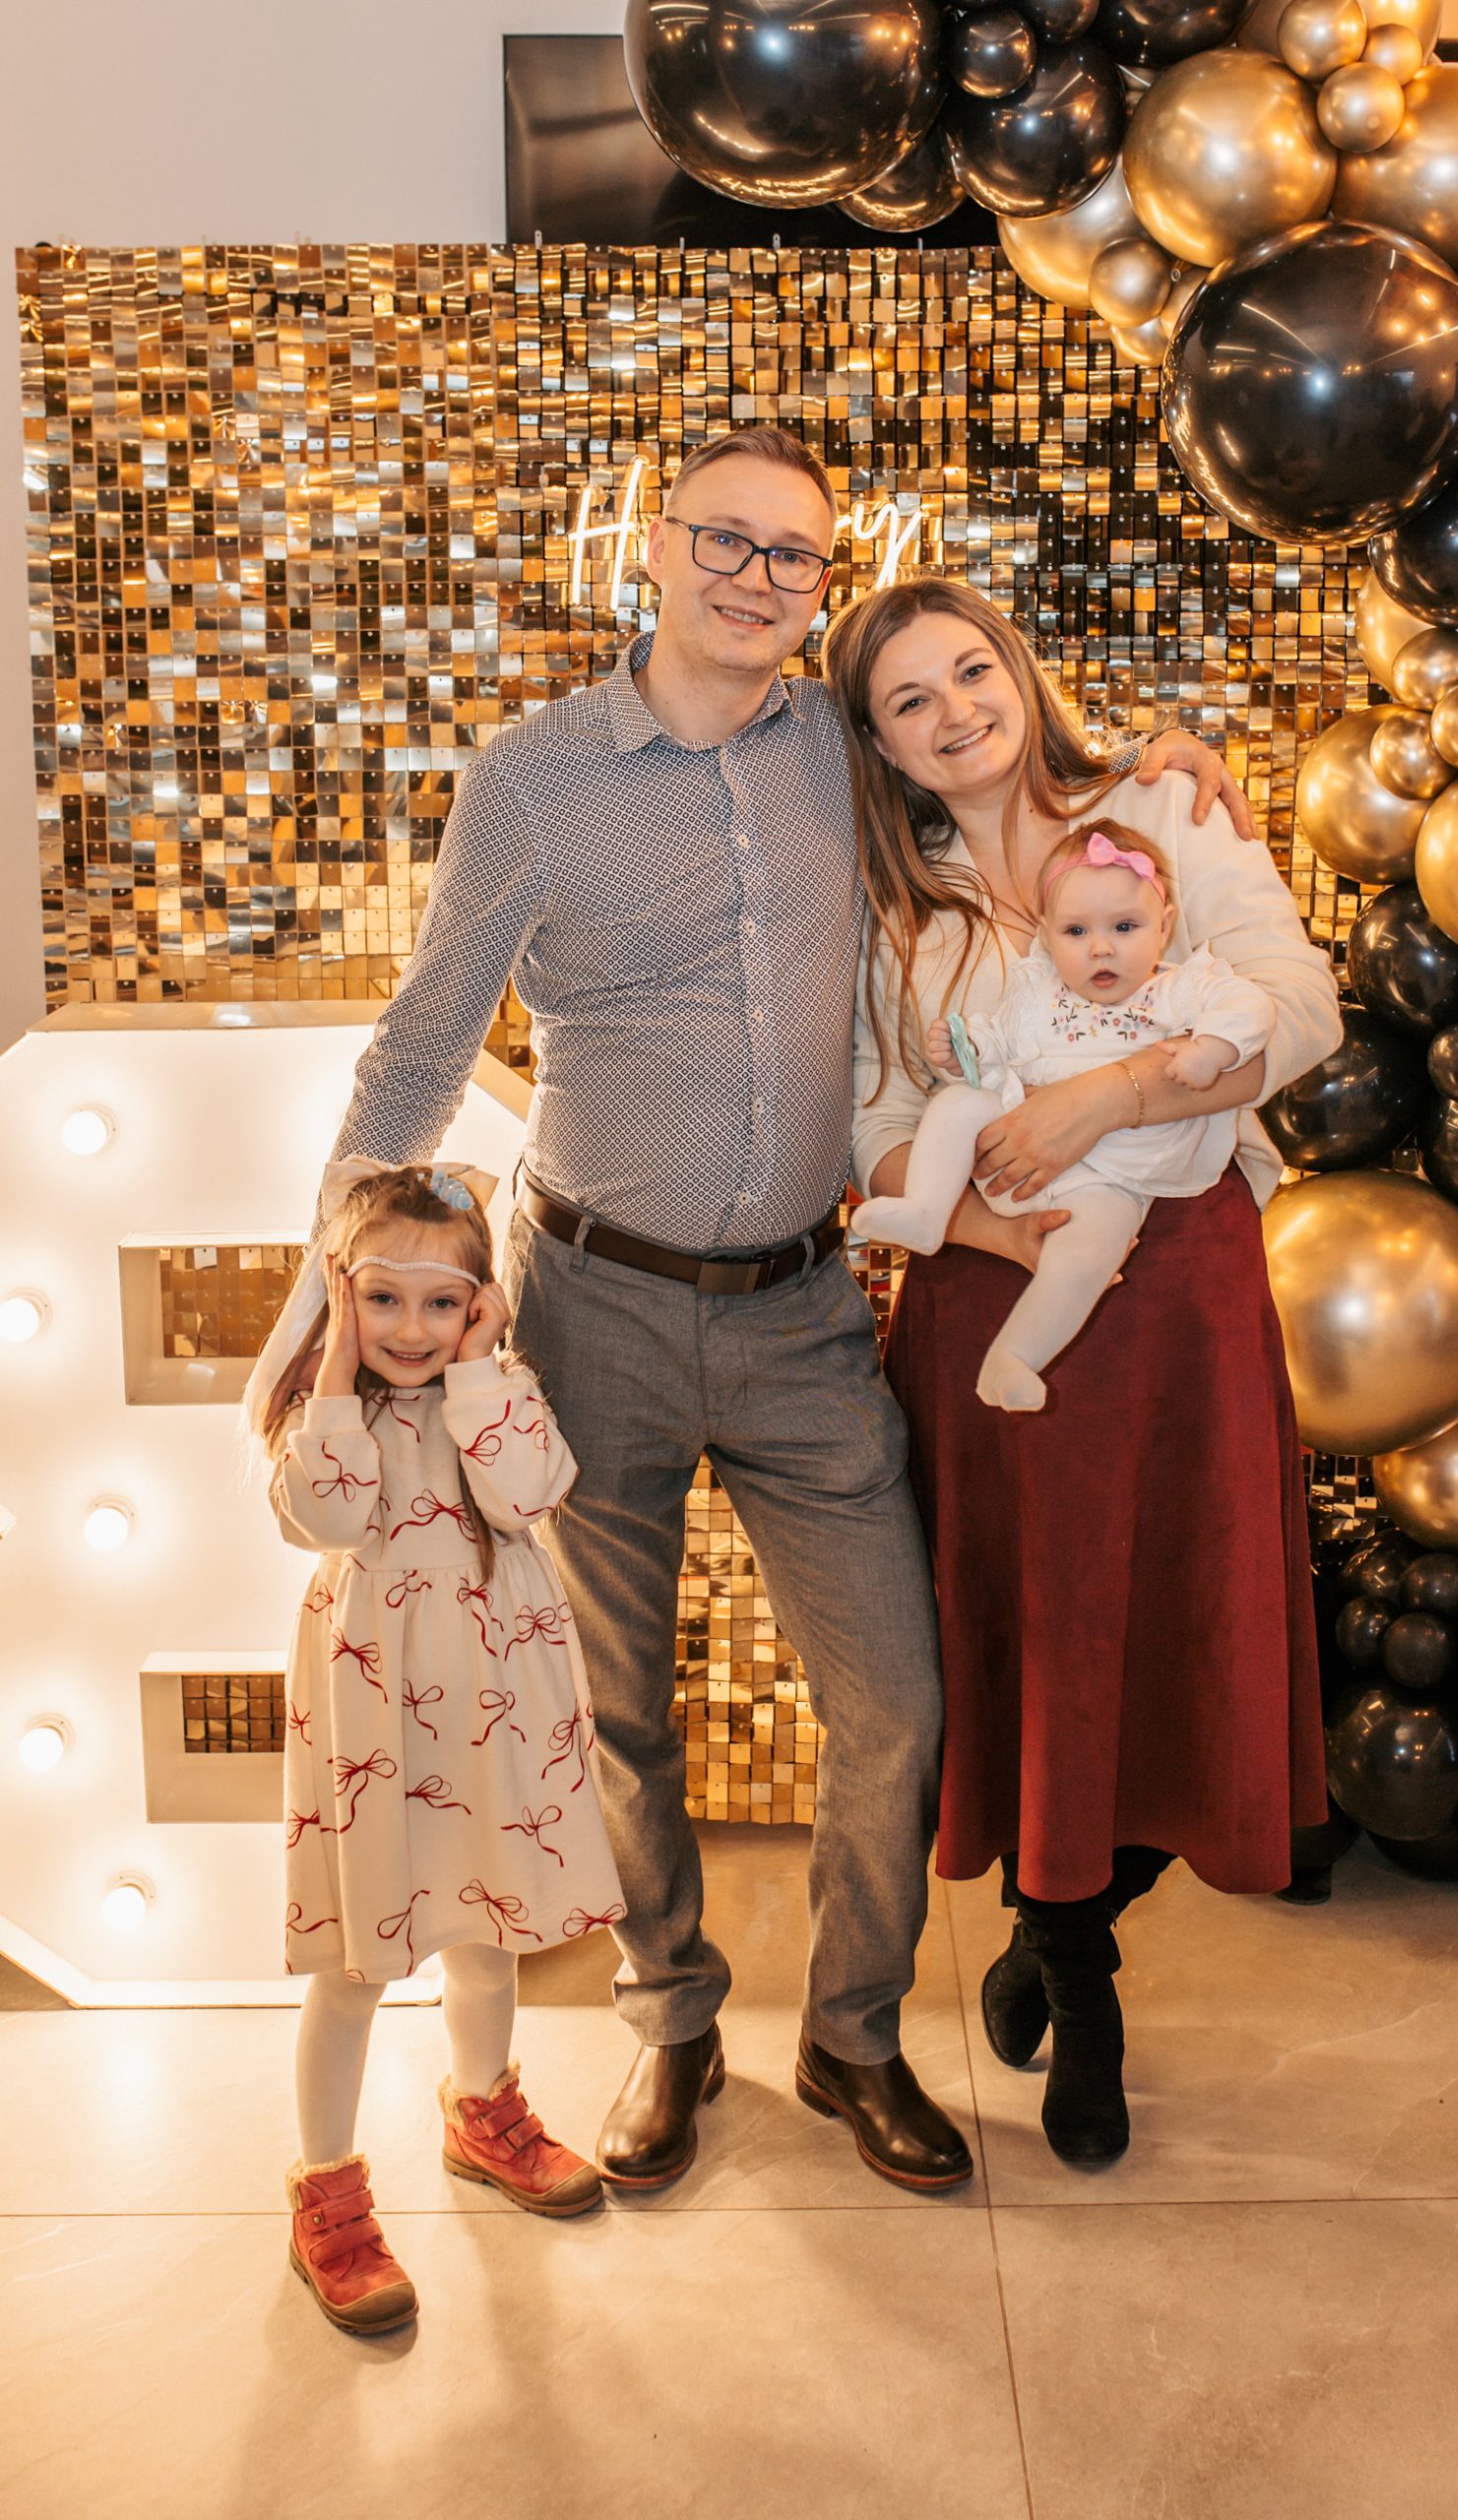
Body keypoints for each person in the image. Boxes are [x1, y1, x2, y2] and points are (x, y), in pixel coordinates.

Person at [322, 422, 1242, 2195]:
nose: (756, 578)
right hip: (587, 1304)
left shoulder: (843, 743)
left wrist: (1154, 767)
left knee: (895, 1697)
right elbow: (426, 1039)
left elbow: (1005, 773)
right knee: (616, 1708)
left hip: (807, 1309)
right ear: (654, 547)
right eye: (724, 540)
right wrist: (328, 1291)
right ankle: (672, 2019)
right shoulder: (533, 776)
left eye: (794, 554)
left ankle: (851, 2034)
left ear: (824, 581)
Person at [827, 575, 1339, 2172]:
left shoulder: (1163, 809)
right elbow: (868, 1115)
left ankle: (1061, 1927)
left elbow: (1301, 1014)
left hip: (1181, 1298)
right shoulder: (890, 904)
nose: (954, 713)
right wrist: (981, 1215)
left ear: (1018, 668)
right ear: (878, 743)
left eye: (970, 671)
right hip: (993, 1315)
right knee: (1030, 1646)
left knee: (1187, 1630)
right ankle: (1077, 1982)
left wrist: (1106, 1099)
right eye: (909, 701)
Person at [249, 1161, 623, 2334]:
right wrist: (335, 1370)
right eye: (382, 1298)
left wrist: (481, 1365)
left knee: (487, 1924)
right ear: (341, 1292)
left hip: (491, 1701)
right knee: (355, 1963)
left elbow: (529, 1492)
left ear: (479, 1303)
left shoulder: (493, 1390)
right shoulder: (323, 1413)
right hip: (378, 1709)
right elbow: (328, 1516)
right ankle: (327, 2187)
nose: (411, 1328)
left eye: (442, 1302)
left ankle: (481, 2111)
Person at [853, 816, 1276, 1411]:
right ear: (1047, 936)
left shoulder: (1176, 989)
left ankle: (1015, 1358)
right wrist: (961, 1051)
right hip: (1011, 1163)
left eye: (1125, 927)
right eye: (1076, 931)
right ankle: (926, 1211)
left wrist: (1214, 1048)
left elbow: (1251, 1006)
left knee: (1088, 1256)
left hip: (1112, 1178)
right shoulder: (1038, 993)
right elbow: (993, 1044)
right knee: (956, 1104)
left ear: (1164, 926)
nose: (1101, 947)